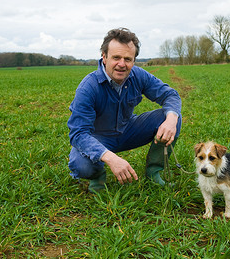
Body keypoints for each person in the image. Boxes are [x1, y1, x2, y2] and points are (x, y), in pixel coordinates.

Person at [67, 28, 182, 192]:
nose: (122, 64)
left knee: (172, 117)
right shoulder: (88, 87)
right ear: (104, 57)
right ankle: (97, 176)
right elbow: (78, 133)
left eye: (128, 59)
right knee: (81, 165)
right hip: (98, 138)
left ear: (134, 60)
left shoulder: (138, 76)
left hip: (128, 130)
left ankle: (154, 172)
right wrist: (110, 158)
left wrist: (171, 120)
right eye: (116, 57)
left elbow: (170, 95)